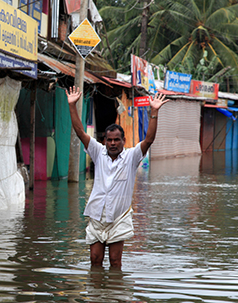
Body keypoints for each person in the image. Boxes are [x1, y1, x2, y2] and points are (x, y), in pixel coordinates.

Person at [66, 86, 169, 269]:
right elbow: (80, 132)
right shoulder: (98, 152)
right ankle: (97, 294)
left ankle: (114, 295)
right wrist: (72, 106)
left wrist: (154, 111)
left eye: (116, 140)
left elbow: (149, 140)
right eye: (109, 140)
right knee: (95, 260)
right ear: (104, 141)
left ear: (123, 141)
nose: (112, 143)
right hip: (97, 216)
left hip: (119, 217)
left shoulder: (131, 156)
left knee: (115, 261)